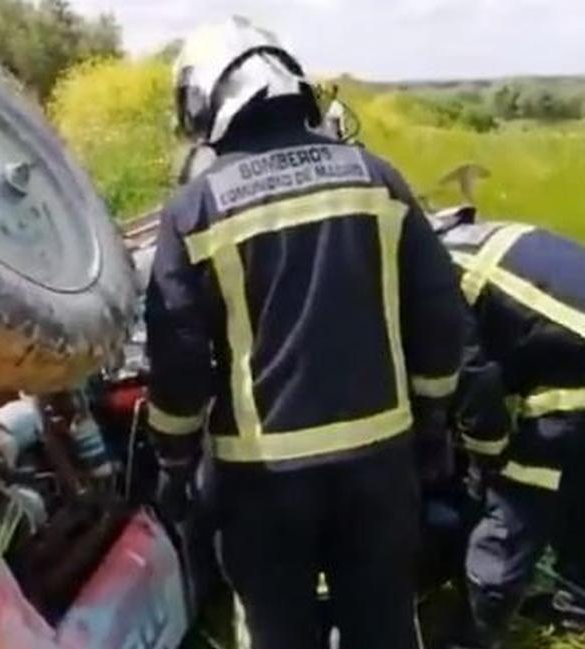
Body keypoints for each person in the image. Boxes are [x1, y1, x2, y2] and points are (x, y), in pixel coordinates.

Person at [144, 16, 467, 649]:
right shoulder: (378, 179)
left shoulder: (194, 209)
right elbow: (438, 310)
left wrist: (174, 463)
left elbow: (178, 356)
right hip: (379, 462)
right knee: (385, 626)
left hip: (261, 480)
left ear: (203, 99)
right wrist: (431, 423)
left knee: (277, 632)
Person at [429, 206, 585, 649]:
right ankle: (577, 613)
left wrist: (486, 457)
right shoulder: (461, 241)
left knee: (516, 497)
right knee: (584, 491)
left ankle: (477, 632)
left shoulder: (431, 277)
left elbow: (472, 378)